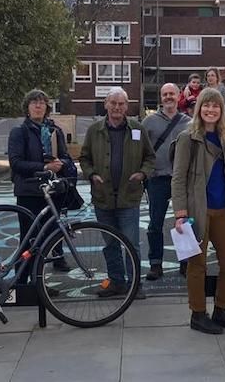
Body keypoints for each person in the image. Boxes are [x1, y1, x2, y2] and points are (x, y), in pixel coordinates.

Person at [172, 88, 225, 334]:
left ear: (221, 110)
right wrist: (181, 213)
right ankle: (198, 314)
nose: (211, 110)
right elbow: (178, 178)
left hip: (223, 209)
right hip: (198, 210)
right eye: (206, 105)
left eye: (215, 106)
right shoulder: (188, 138)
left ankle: (221, 310)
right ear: (199, 109)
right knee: (197, 265)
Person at [80, 88, 155, 299]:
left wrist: (142, 173)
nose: (117, 107)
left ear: (127, 106)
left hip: (128, 197)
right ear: (105, 104)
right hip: (103, 197)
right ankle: (116, 282)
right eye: (113, 103)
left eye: (121, 104)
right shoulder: (94, 130)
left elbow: (150, 157)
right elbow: (84, 158)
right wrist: (92, 174)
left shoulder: (137, 129)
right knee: (110, 243)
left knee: (131, 243)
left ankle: (134, 284)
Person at [7, 89, 78, 273]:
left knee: (51, 234)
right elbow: (16, 163)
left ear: (47, 107)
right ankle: (22, 281)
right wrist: (44, 167)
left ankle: (44, 276)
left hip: (52, 191)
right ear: (27, 108)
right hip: (29, 192)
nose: (38, 106)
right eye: (33, 102)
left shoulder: (55, 131)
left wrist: (61, 163)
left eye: (41, 102)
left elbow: (66, 157)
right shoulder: (19, 132)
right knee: (29, 239)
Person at [142, 83, 191, 281]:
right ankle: (155, 264)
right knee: (155, 223)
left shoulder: (189, 122)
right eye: (165, 94)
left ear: (179, 96)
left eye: (172, 93)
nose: (168, 97)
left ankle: (186, 261)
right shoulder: (148, 122)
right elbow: (142, 150)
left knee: (184, 222)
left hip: (183, 179)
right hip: (157, 179)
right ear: (160, 97)